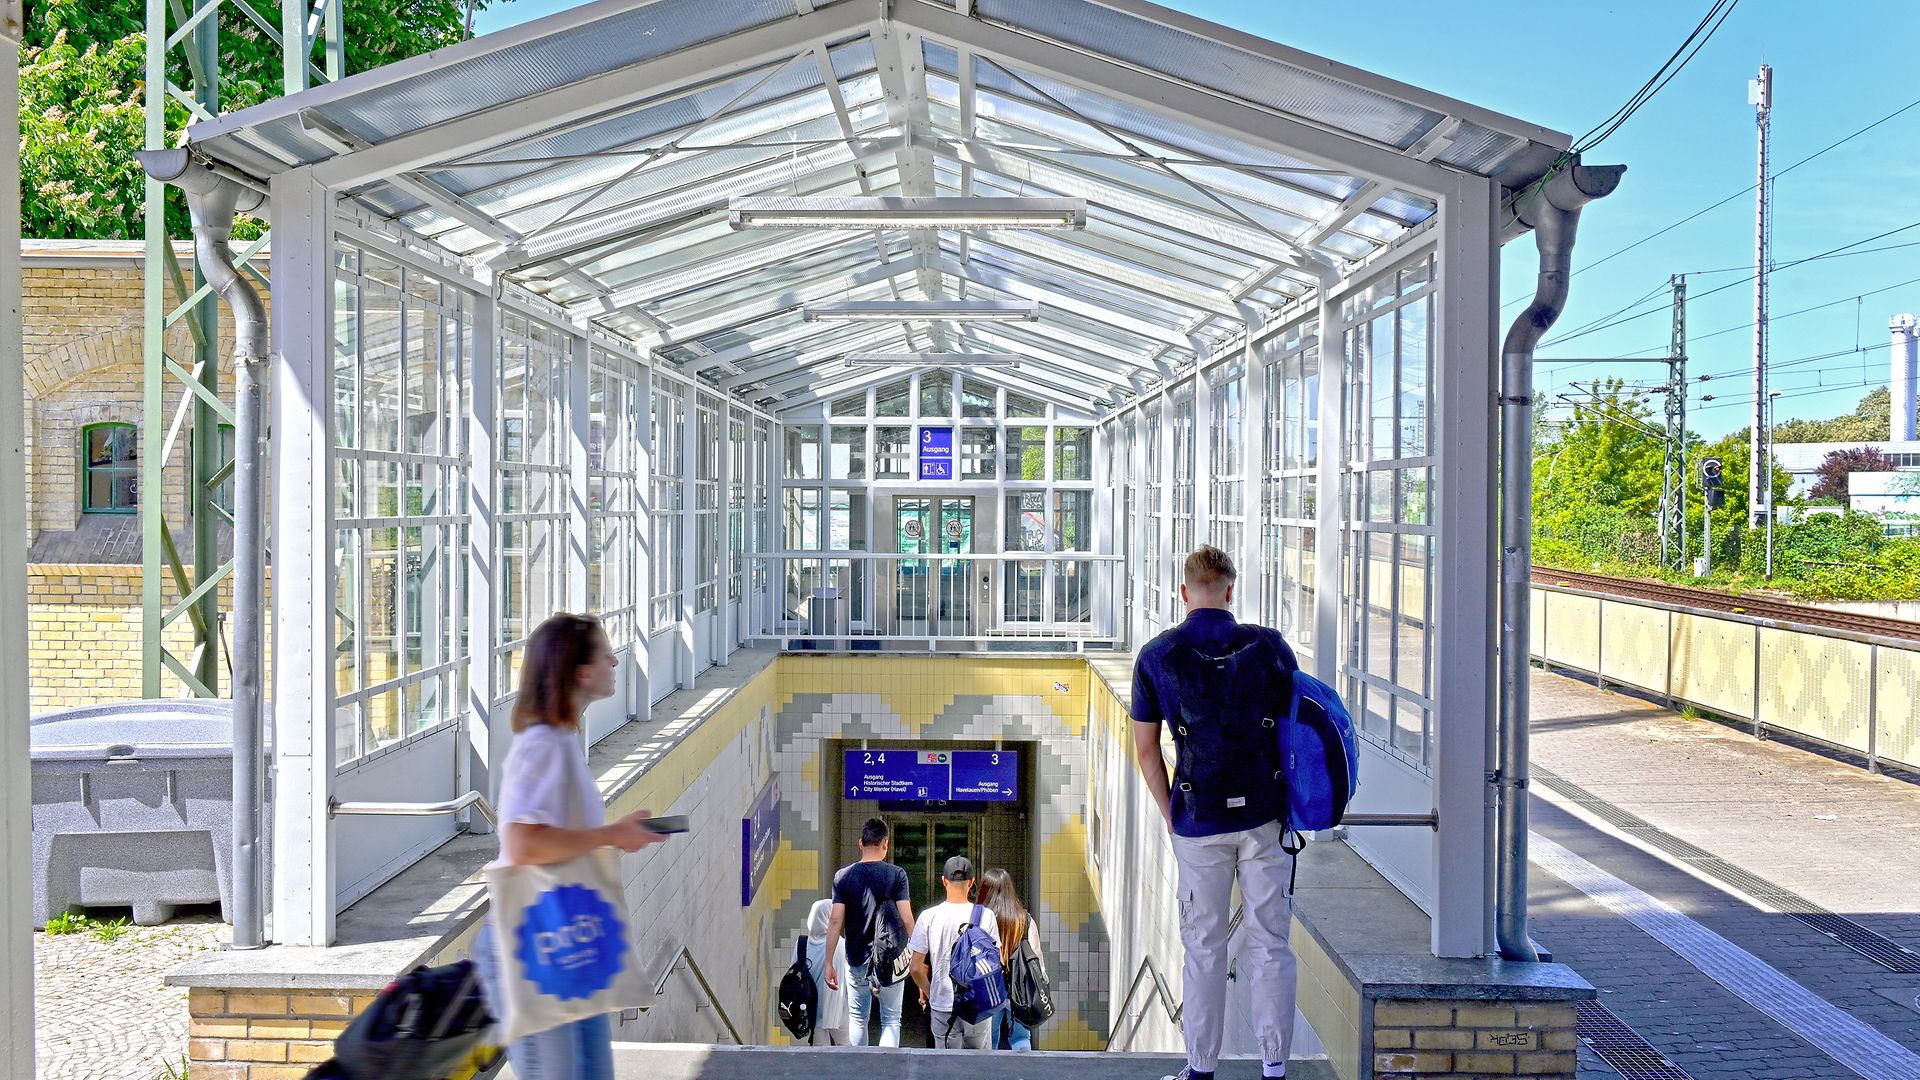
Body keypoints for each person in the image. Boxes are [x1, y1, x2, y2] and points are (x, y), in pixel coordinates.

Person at [471, 613, 668, 1080]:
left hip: (564, 943)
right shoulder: (541, 744)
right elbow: (521, 842)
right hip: (530, 948)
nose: (615, 662)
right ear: (581, 672)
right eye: (605, 655)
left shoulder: (562, 739)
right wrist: (609, 835)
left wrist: (615, 833)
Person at [1133, 546, 1300, 1080]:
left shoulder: (1157, 656)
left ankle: (1201, 1069)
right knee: (1270, 941)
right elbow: (1295, 730)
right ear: (1231, 590)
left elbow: (1145, 750)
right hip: (1265, 817)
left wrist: (1171, 814)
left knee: (1203, 947)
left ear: (1184, 593)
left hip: (1198, 818)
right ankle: (1274, 1068)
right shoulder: (1269, 646)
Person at [822, 817, 914, 1047]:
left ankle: (859, 1071)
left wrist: (828, 962)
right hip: (891, 959)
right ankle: (887, 1073)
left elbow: (835, 921)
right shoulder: (897, 875)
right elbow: (907, 918)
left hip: (855, 957)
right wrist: (917, 954)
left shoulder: (842, 877)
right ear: (886, 844)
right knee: (891, 1020)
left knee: (858, 1018)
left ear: (860, 843)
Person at [908, 856, 1000, 1050]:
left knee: (946, 1067)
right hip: (977, 1005)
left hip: (943, 1006)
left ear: (944, 881)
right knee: (978, 1067)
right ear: (972, 882)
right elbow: (994, 963)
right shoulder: (986, 916)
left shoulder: (928, 917)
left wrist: (932, 992)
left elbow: (915, 968)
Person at [975, 868, 1044, 1052]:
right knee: (1021, 1038)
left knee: (990, 1038)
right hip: (1019, 989)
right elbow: (1036, 957)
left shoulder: (980, 919)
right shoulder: (1025, 919)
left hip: (990, 988)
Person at [806, 898, 851, 1045]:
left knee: (821, 1056)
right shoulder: (841, 945)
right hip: (839, 1009)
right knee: (847, 1048)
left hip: (812, 1010)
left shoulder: (801, 945)